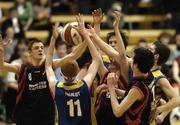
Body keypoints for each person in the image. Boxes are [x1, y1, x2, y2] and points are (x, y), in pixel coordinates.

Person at [0, 30, 86, 124]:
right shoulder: (22, 68)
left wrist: (87, 38)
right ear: (29, 52)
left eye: (41, 47)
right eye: (36, 48)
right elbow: (2, 66)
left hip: (46, 113)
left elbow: (73, 55)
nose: (40, 49)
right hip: (26, 113)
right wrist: (1, 51)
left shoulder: (49, 66)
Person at [45, 15, 101, 125]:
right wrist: (86, 35)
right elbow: (97, 58)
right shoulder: (84, 85)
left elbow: (48, 65)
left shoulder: (56, 87)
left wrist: (53, 39)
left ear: (60, 73)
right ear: (77, 72)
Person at [107, 47, 155, 125]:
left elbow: (117, 111)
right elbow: (130, 96)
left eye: (132, 59)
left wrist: (112, 89)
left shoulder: (138, 88)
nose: (130, 60)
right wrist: (114, 89)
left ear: (136, 65)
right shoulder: (148, 75)